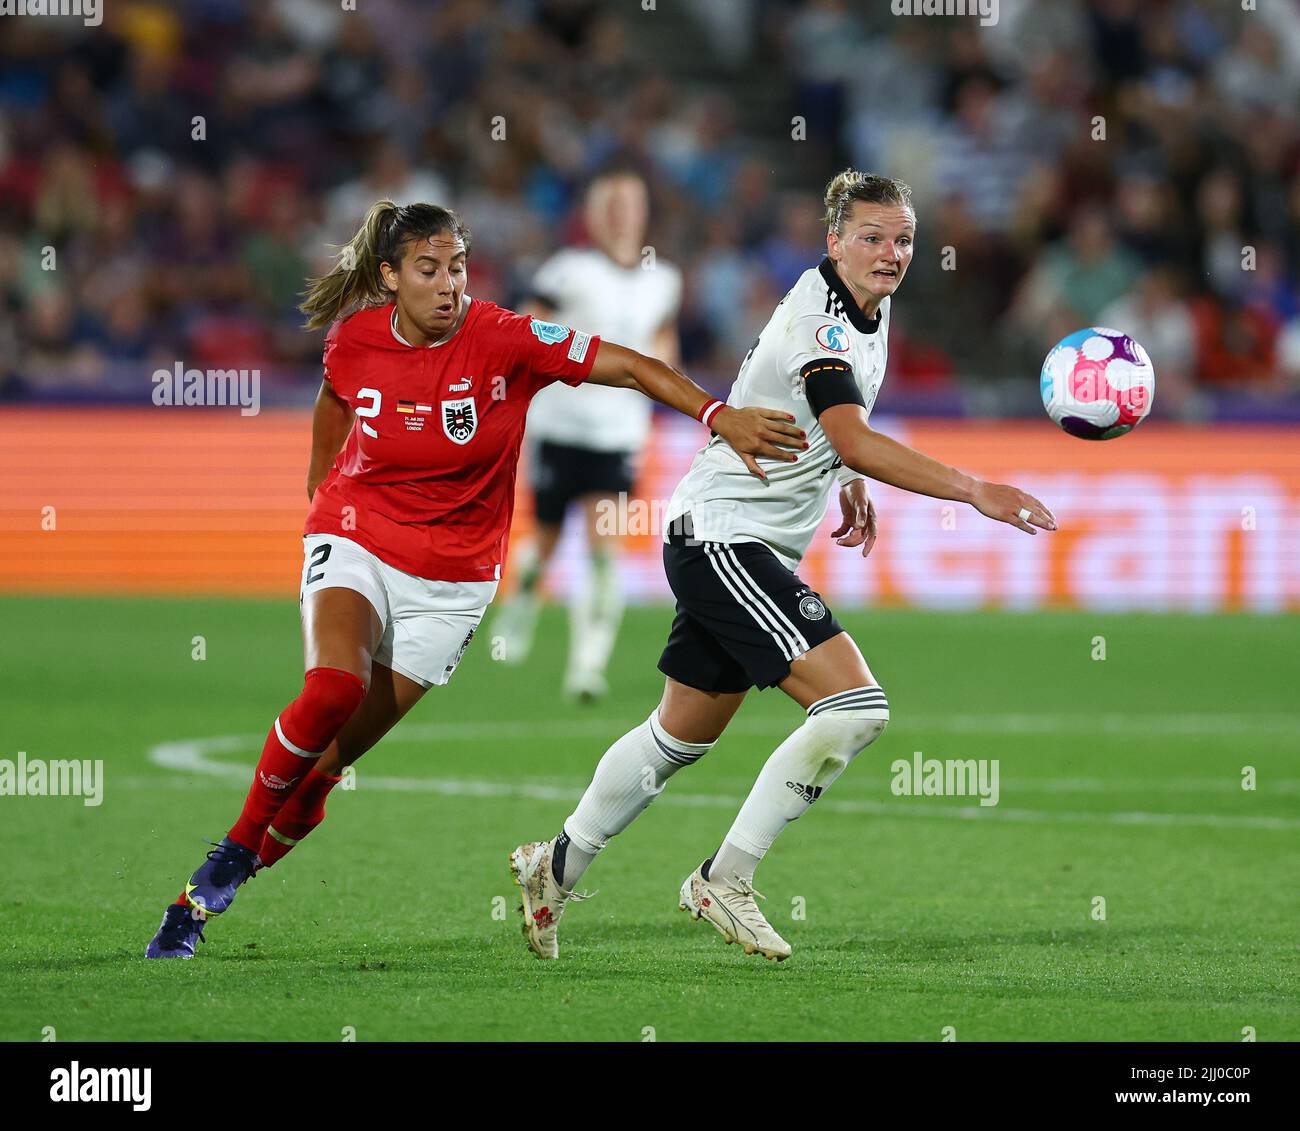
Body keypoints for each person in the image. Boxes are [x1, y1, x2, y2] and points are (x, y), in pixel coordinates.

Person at [144, 199, 804, 959]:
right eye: (429, 269)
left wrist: (714, 412)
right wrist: (321, 498)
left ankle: (219, 881)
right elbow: (334, 399)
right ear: (390, 276)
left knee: (325, 769)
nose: (449, 284)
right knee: (332, 688)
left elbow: (626, 363)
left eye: (457, 266)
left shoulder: (502, 338)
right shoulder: (355, 340)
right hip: (358, 535)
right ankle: (219, 865)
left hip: (452, 583)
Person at [509, 170, 1057, 961]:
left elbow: (840, 426)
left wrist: (849, 477)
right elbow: (856, 428)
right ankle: (723, 879)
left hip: (732, 538)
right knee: (856, 707)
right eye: (871, 237)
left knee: (678, 736)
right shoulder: (821, 320)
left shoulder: (872, 302)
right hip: (726, 539)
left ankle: (552, 865)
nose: (891, 253)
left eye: (903, 239)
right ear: (833, 241)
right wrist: (974, 488)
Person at [491, 165, 682, 700]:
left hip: (619, 434)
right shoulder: (567, 270)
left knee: (604, 549)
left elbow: (666, 351)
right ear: (593, 216)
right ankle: (523, 599)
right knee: (546, 542)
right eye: (610, 205)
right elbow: (524, 330)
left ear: (644, 213)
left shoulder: (663, 280)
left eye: (630, 204)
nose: (621, 215)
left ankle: (586, 667)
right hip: (558, 425)